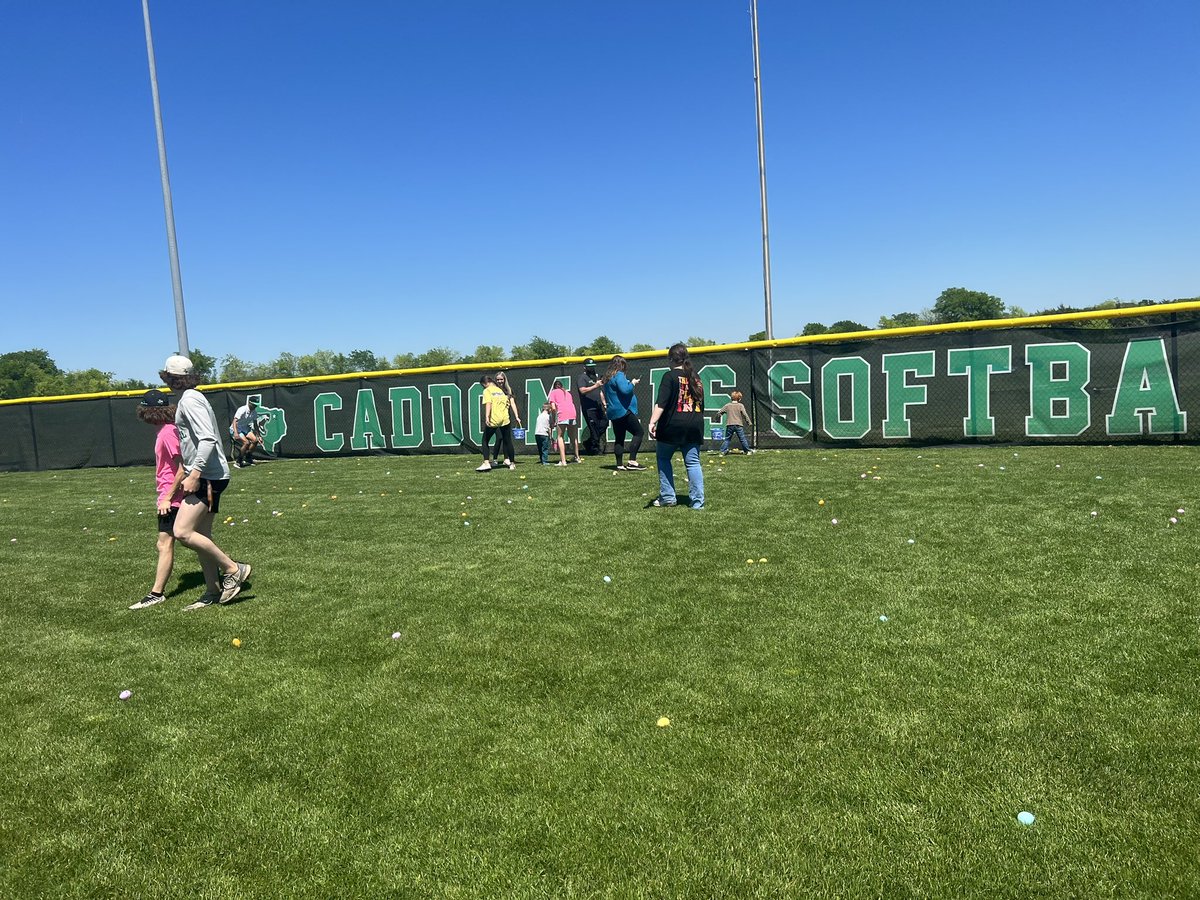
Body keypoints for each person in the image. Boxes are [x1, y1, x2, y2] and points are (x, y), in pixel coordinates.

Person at [158, 354, 252, 608]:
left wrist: (195, 473)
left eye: (169, 378)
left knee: (182, 531)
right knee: (201, 534)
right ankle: (212, 590)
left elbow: (208, 439)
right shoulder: (191, 398)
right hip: (210, 474)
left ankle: (233, 569)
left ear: (172, 379)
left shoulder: (189, 401)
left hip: (208, 476)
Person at [129, 390, 185, 609]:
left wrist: (168, 497)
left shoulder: (167, 433)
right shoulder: (166, 430)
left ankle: (156, 594)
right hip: (169, 496)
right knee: (175, 541)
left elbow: (183, 467)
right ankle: (227, 572)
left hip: (172, 498)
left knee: (165, 543)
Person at [648, 343, 706, 509]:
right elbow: (702, 405)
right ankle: (697, 502)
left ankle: (668, 497)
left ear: (671, 359)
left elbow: (661, 403)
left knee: (663, 458)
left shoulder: (669, 376)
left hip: (672, 426)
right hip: (694, 425)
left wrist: (652, 422)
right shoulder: (696, 377)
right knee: (693, 463)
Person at [601, 356, 647, 471]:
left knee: (619, 438)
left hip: (613, 412)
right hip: (623, 411)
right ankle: (632, 461)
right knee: (639, 432)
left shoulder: (608, 377)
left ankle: (619, 464)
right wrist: (632, 383)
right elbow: (625, 390)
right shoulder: (619, 375)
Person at [477, 374, 516, 471]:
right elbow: (507, 404)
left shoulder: (487, 390)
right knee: (508, 441)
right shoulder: (500, 390)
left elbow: (488, 404)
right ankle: (512, 463)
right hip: (505, 419)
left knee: (485, 440)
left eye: (483, 385)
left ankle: (486, 462)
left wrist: (487, 417)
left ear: (485, 383)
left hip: (495, 419)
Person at [575, 358, 607, 456]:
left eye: (592, 367)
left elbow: (600, 391)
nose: (591, 369)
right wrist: (595, 386)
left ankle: (589, 442)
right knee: (594, 428)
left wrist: (604, 403)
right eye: (589, 367)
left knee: (605, 423)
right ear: (584, 367)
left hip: (598, 405)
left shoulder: (595, 377)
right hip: (589, 408)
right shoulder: (582, 377)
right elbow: (582, 390)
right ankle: (594, 449)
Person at [489, 371, 523, 465]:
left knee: (506, 439)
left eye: (501, 379)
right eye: (498, 379)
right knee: (499, 438)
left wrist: (517, 416)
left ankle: (506, 458)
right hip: (495, 418)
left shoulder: (508, 390)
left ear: (504, 380)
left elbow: (512, 403)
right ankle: (494, 459)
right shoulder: (493, 390)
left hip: (505, 418)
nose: (500, 381)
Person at [547, 379, 581, 466]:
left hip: (562, 414)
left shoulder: (553, 392)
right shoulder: (568, 393)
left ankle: (563, 461)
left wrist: (554, 419)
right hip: (572, 413)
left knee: (560, 436)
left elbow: (553, 408)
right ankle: (577, 457)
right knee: (573, 436)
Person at [718, 390, 755, 455]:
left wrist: (718, 417)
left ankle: (722, 451)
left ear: (731, 398)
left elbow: (719, 412)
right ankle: (747, 451)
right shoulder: (740, 405)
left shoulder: (728, 405)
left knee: (727, 439)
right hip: (738, 425)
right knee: (742, 438)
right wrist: (749, 422)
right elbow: (745, 414)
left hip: (730, 424)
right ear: (739, 399)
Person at [230, 396, 263, 468]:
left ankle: (248, 458)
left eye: (256, 405)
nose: (255, 406)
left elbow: (255, 424)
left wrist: (259, 435)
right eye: (254, 405)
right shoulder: (242, 410)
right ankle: (238, 461)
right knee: (246, 443)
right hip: (236, 429)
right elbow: (234, 421)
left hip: (245, 429)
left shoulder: (254, 412)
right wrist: (235, 433)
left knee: (255, 440)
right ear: (249, 403)